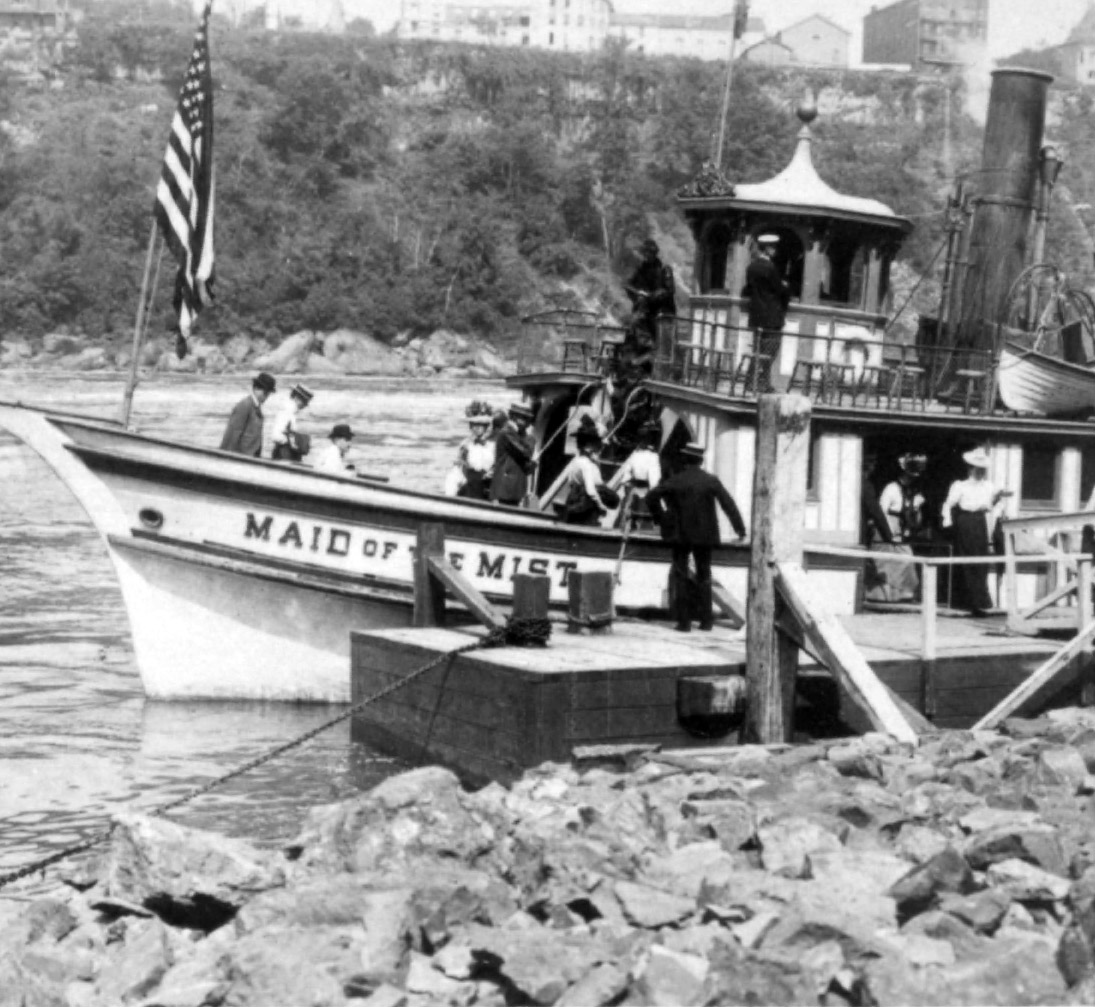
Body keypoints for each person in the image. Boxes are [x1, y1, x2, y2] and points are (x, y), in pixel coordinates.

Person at [646, 441, 747, 632]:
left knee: (681, 574)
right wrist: (740, 529)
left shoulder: (676, 480)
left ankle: (684, 623)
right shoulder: (710, 480)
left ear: (685, 459)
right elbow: (728, 505)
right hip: (704, 535)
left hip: (680, 533)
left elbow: (650, 497)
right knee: (704, 575)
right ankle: (706, 621)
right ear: (701, 459)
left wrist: (661, 517)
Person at [942, 447, 1009, 616]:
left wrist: (997, 504)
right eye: (977, 469)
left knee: (980, 559)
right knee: (966, 558)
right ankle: (966, 601)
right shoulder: (960, 485)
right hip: (965, 522)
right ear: (970, 468)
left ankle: (980, 601)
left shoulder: (988, 486)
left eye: (983, 469)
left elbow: (993, 505)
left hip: (980, 522)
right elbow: (948, 504)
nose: (980, 472)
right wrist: (948, 522)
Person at [869, 453, 927, 603]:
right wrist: (888, 530)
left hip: (900, 528)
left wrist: (916, 507)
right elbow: (882, 510)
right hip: (887, 526)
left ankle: (901, 595)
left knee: (906, 559)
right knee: (886, 562)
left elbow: (913, 516)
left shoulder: (911, 491)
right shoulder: (891, 488)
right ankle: (884, 596)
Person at [742, 234, 791, 393]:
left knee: (757, 351)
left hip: (756, 317)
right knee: (770, 351)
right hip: (772, 317)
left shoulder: (751, 267)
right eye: (773, 247)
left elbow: (749, 289)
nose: (775, 250)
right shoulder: (770, 268)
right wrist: (786, 287)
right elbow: (779, 290)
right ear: (767, 249)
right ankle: (762, 383)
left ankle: (751, 382)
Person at [623, 238, 676, 374]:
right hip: (645, 305)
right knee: (636, 320)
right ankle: (640, 349)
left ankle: (650, 347)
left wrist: (653, 295)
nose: (647, 256)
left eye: (649, 253)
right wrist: (639, 293)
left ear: (654, 253)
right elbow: (627, 284)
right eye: (645, 253)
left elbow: (669, 290)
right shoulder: (641, 269)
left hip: (661, 308)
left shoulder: (664, 269)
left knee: (643, 316)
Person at [608, 420, 662, 529]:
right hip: (644, 496)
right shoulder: (653, 457)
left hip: (631, 494)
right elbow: (654, 483)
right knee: (643, 523)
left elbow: (625, 478)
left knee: (625, 519)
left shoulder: (635, 455)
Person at [559, 425, 614, 526]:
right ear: (589, 445)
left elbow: (570, 482)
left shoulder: (576, 461)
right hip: (585, 507)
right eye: (597, 444)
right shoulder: (587, 464)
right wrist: (601, 506)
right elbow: (591, 491)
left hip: (573, 500)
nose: (600, 447)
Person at [446, 401, 496, 500]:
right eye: (474, 424)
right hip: (470, 489)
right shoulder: (466, 445)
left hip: (488, 490)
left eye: (480, 425)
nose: (477, 428)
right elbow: (458, 470)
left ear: (486, 426)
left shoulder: (493, 445)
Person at [220, 372, 276, 457]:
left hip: (251, 457)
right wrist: (226, 457)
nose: (267, 396)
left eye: (268, 393)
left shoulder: (257, 407)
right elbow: (232, 434)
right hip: (241, 457)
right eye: (265, 392)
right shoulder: (245, 405)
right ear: (256, 388)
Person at [491, 402, 536, 506]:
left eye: (525, 418)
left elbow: (527, 456)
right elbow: (526, 452)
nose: (522, 421)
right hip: (503, 490)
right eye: (519, 417)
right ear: (512, 417)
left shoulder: (529, 439)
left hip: (518, 490)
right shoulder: (506, 433)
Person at [270, 384, 314, 462]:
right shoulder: (286, 411)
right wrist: (291, 441)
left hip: (286, 454)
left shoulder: (292, 412)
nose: (305, 405)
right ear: (296, 398)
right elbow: (275, 435)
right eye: (304, 402)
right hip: (283, 455)